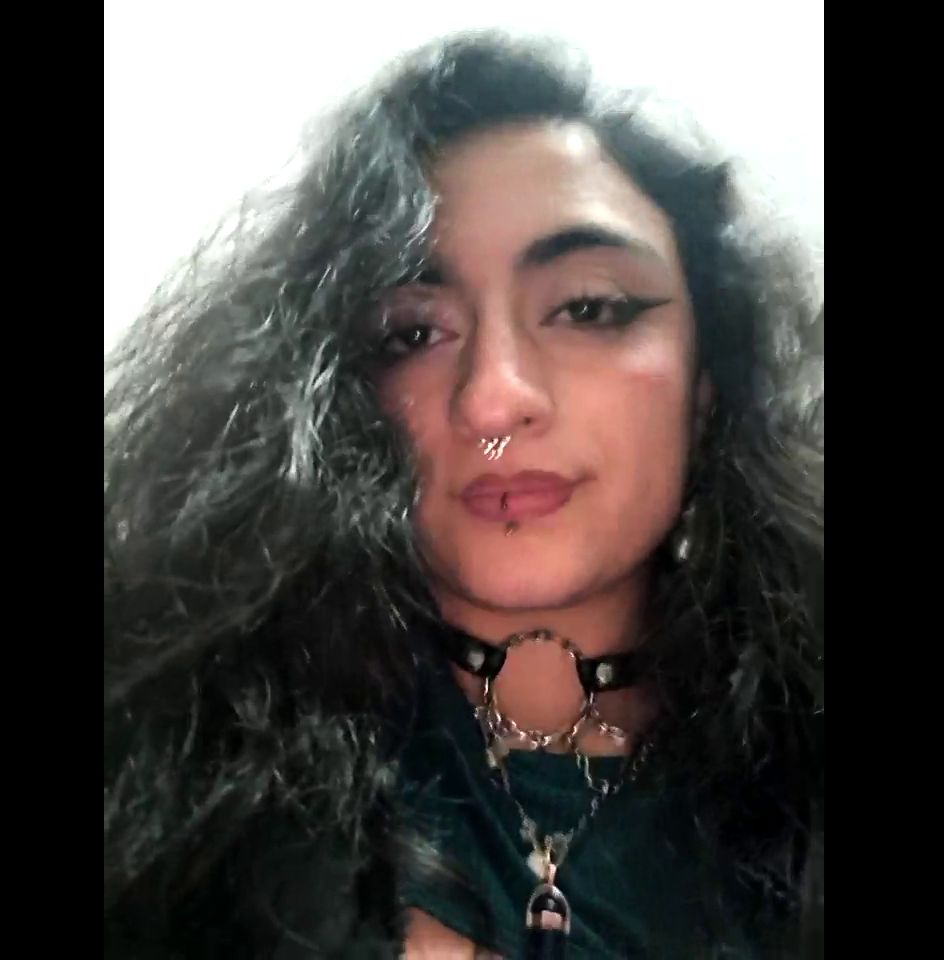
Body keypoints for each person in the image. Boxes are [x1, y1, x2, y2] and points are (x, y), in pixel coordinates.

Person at [104, 32, 823, 960]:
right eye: (411, 334)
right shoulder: (176, 762)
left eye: (588, 308)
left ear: (708, 378)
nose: (493, 400)